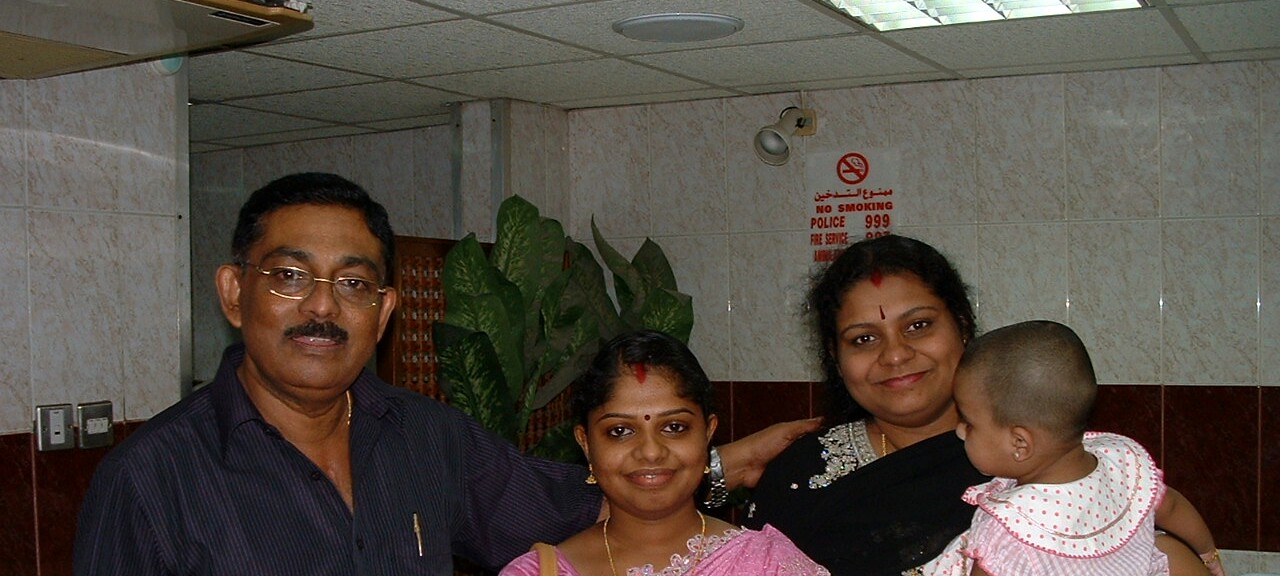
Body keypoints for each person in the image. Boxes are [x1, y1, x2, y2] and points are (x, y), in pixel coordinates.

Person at [72, 172, 817, 576]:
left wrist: (716, 461)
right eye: (291, 276)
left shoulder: (426, 439)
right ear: (235, 292)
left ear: (385, 311)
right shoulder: (151, 478)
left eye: (354, 283)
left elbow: (573, 500)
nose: (323, 307)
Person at [742, 234, 1214, 576]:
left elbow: (1156, 549)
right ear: (836, 356)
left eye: (918, 326)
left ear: (963, 326)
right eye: (864, 338)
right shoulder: (799, 475)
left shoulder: (1050, 455)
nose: (895, 355)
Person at [500, 330, 829, 576]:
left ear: (708, 434)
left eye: (674, 427)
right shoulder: (536, 573)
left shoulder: (769, 565)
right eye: (620, 431)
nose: (651, 452)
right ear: (586, 444)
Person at [922, 320, 1225, 576]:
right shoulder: (1122, 462)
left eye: (969, 422)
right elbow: (1173, 507)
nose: (960, 430)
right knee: (1169, 551)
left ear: (1020, 444)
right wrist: (1209, 556)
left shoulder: (1009, 524)